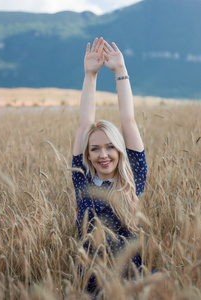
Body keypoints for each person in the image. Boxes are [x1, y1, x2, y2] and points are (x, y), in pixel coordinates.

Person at [72, 37, 147, 296]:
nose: (103, 154)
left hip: (130, 285)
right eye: (95, 148)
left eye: (110, 147)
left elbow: (128, 120)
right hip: (90, 288)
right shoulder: (82, 180)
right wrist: (90, 76)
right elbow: (84, 124)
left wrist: (120, 71)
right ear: (88, 155)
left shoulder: (134, 177)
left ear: (119, 149)